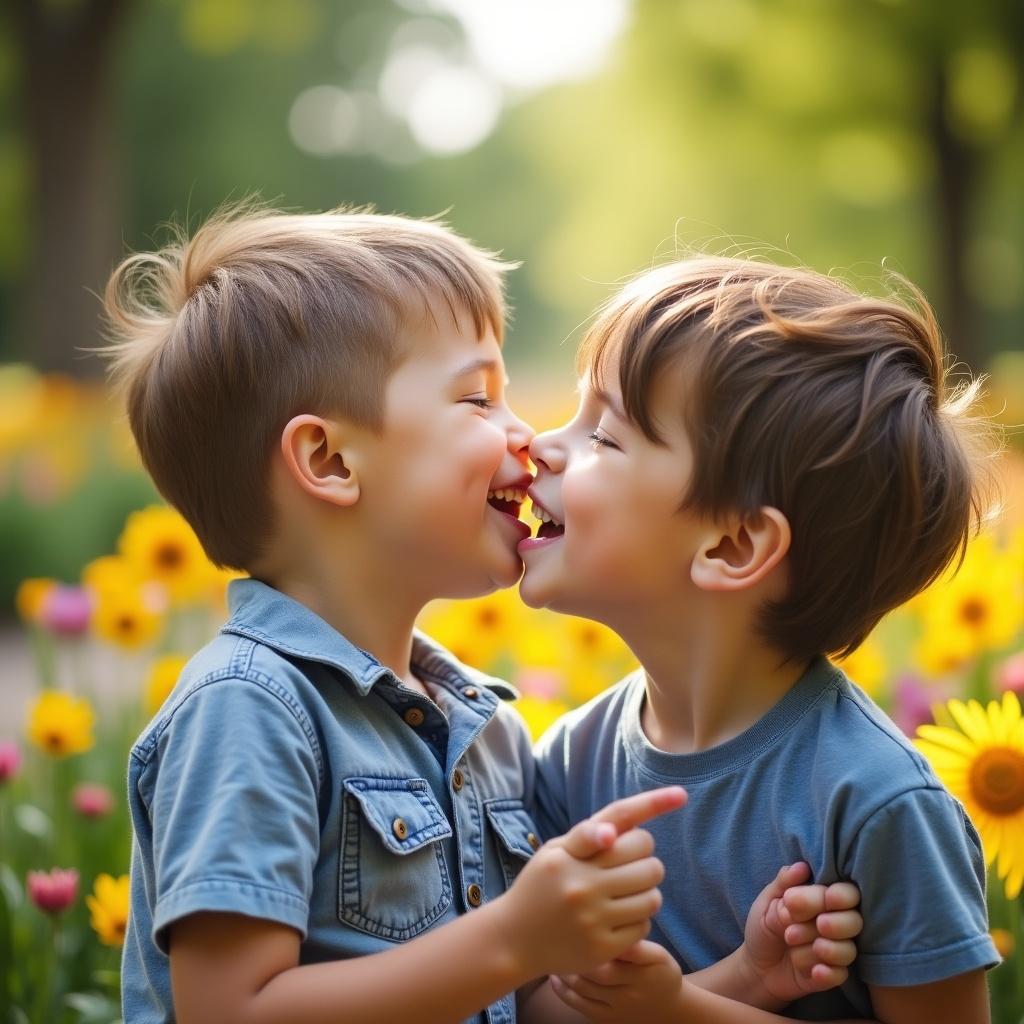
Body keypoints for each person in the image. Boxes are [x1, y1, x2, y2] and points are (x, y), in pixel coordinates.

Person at [103, 209, 859, 1024]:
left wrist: (739, 979)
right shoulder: (250, 709)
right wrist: (514, 937)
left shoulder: (484, 733)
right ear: (329, 460)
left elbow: (525, 1010)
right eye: (476, 399)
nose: (525, 438)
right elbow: (229, 1010)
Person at [521, 256, 1002, 1023]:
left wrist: (675, 1009)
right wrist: (739, 981)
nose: (539, 445)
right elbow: (531, 1011)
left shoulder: (874, 803)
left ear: (734, 547)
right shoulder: (566, 762)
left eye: (604, 437)